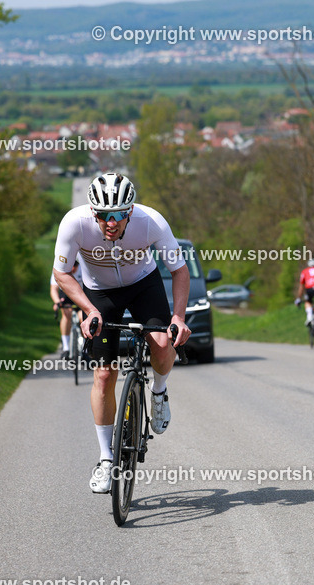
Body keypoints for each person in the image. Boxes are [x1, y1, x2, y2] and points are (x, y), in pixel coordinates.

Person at [52, 172, 191, 493]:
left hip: (143, 284)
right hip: (99, 292)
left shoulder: (151, 221)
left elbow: (180, 270)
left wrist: (179, 317)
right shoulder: (74, 223)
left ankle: (159, 391)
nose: (110, 222)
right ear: (92, 212)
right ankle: (105, 459)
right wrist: (89, 310)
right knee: (103, 375)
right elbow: (61, 273)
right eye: (102, 215)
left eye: (117, 215)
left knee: (160, 342)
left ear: (129, 211)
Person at [50, 261, 83, 358]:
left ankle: (85, 347)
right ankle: (66, 347)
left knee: (82, 317)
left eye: (75, 266)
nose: (73, 269)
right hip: (66, 293)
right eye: (71, 266)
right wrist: (57, 302)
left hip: (81, 294)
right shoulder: (59, 268)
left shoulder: (83, 269)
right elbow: (53, 289)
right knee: (66, 314)